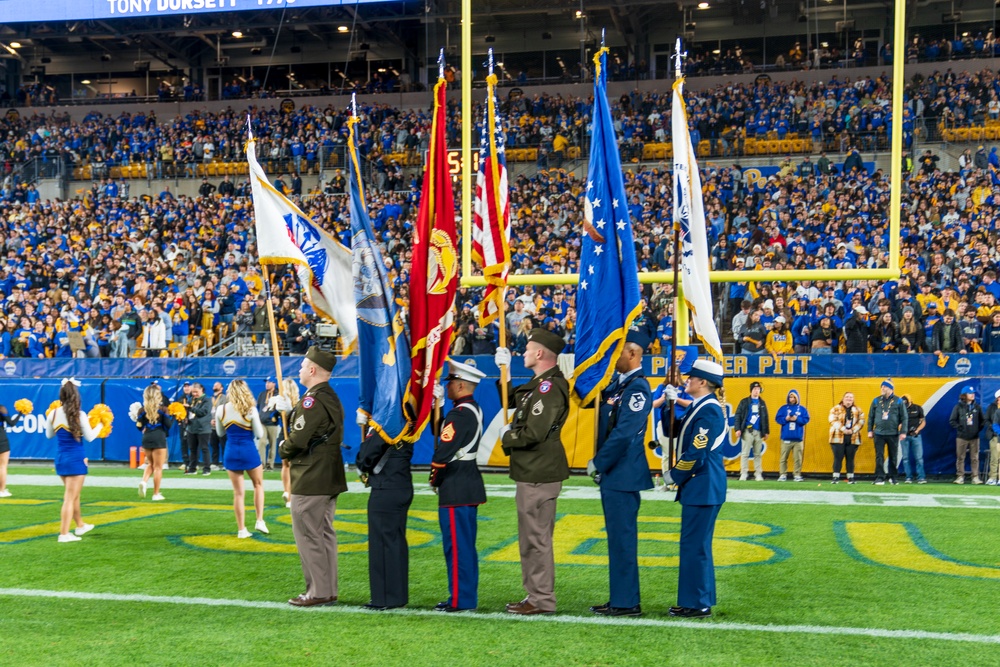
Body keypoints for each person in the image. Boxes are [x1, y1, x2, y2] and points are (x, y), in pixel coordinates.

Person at [494, 328, 570, 615]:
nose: (522, 354)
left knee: (536, 540)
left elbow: (534, 432)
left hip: (538, 472)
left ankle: (541, 599)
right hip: (532, 471)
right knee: (531, 540)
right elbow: (510, 400)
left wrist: (507, 437)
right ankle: (535, 596)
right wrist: (504, 371)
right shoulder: (539, 385)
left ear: (539, 353)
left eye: (526, 350)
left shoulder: (549, 387)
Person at [586, 331, 654, 617]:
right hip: (615, 475)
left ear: (633, 354)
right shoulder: (617, 386)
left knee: (623, 540)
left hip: (622, 474)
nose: (614, 358)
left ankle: (626, 602)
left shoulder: (637, 389)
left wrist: (599, 462)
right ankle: (620, 597)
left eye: (619, 352)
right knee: (616, 539)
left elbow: (625, 433)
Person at [275, 347, 346, 607]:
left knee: (308, 534)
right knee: (324, 533)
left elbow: (299, 439)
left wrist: (283, 447)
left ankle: (317, 591)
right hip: (328, 474)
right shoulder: (328, 396)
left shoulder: (312, 400)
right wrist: (293, 410)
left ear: (313, 370)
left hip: (311, 474)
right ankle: (326, 589)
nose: (300, 369)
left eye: (304, 366)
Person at [662, 359, 727, 618]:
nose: (686, 380)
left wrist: (674, 475)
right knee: (696, 545)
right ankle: (697, 598)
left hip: (702, 485)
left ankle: (697, 602)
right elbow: (674, 431)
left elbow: (696, 451)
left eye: (691, 378)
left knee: (694, 546)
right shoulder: (699, 407)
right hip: (701, 487)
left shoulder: (708, 410)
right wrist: (668, 406)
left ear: (702, 382)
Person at [429, 360, 488, 613]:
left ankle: (460, 600)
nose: (448, 386)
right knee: (463, 546)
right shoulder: (468, 409)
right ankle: (463, 596)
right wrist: (439, 406)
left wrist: (435, 477)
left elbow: (443, 450)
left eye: (451, 382)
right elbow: (441, 432)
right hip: (467, 483)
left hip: (456, 485)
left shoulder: (460, 414)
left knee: (457, 547)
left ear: (461, 385)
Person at [356, 429, 414, 611]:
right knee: (395, 543)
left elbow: (365, 457)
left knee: (381, 544)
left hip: (386, 486)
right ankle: (397, 596)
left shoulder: (388, 423)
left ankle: (384, 598)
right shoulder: (407, 424)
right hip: (401, 483)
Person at [45, 379, 100, 542]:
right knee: (70, 497)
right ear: (76, 396)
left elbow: (49, 435)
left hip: (61, 459)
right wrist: (100, 425)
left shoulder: (53, 413)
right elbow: (90, 437)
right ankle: (64, 534)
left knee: (73, 495)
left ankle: (80, 525)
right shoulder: (79, 415)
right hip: (76, 459)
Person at [215, 379, 269, 538]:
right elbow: (259, 434)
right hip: (248, 451)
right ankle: (259, 520)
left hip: (231, 452)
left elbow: (220, 433)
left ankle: (241, 530)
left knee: (238, 493)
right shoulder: (251, 409)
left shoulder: (221, 409)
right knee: (258, 485)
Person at [135, 384, 174, 501]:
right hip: (159, 437)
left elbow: (138, 425)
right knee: (158, 467)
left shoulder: (142, 410)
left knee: (150, 464)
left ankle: (144, 481)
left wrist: (144, 429)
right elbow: (168, 425)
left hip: (146, 437)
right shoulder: (163, 410)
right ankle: (156, 493)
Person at [867, 379, 907, 485]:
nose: (882, 389)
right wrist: (870, 430)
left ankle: (893, 477)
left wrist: (903, 432)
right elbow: (871, 416)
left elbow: (904, 417)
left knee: (893, 456)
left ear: (890, 388)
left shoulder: (898, 401)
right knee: (879, 455)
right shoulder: (876, 400)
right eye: (881, 387)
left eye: (884, 387)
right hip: (878, 433)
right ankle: (880, 477)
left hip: (893, 433)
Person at [949, 386, 984, 485]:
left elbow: (983, 420)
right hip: (961, 437)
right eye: (970, 393)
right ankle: (960, 477)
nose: (973, 394)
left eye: (973, 392)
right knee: (960, 457)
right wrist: (960, 428)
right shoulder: (958, 407)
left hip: (974, 437)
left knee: (975, 458)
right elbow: (952, 420)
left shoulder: (977, 407)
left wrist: (977, 430)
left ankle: (975, 477)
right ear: (964, 395)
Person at [734, 381, 769, 481]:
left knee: (757, 454)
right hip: (747, 431)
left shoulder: (762, 403)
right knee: (745, 453)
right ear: (751, 390)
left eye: (758, 389)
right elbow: (738, 416)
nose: (756, 391)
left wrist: (766, 431)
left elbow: (765, 417)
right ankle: (744, 473)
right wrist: (737, 429)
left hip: (758, 431)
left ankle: (758, 473)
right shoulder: (744, 402)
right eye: (754, 389)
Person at [829, 392, 864, 483]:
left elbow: (861, 421)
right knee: (838, 457)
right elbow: (832, 420)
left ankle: (851, 478)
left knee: (850, 458)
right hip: (837, 437)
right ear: (843, 398)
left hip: (853, 438)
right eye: (847, 397)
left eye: (851, 397)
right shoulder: (836, 408)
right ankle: (836, 477)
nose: (849, 398)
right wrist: (843, 429)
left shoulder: (858, 410)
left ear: (853, 399)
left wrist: (852, 430)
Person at [775, 389, 810, 482]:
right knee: (783, 458)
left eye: (794, 397)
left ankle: (797, 474)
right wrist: (785, 419)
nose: (792, 399)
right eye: (791, 397)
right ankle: (782, 474)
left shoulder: (802, 409)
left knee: (798, 458)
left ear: (797, 398)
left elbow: (806, 419)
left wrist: (797, 419)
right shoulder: (783, 408)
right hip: (786, 438)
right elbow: (777, 419)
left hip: (798, 438)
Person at [279, 378, 300, 508]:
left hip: (283, 434)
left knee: (285, 465)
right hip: (293, 434)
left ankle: (286, 491)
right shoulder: (298, 405)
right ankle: (290, 495)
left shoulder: (284, 405)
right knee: (293, 466)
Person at [185, 383, 212, 475]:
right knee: (192, 449)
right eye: (193, 392)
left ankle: (207, 469)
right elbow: (189, 413)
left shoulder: (207, 400)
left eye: (196, 392)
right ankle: (192, 469)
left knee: (204, 448)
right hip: (191, 428)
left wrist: (191, 408)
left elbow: (203, 412)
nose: (194, 394)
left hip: (203, 428)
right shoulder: (191, 400)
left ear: (202, 390)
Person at [900, 395, 926, 484]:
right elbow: (897, 423)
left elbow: (923, 421)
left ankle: (921, 477)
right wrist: (900, 428)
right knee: (905, 458)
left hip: (916, 435)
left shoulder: (918, 408)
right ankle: (908, 477)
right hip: (904, 436)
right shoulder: (900, 409)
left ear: (910, 401)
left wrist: (917, 430)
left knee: (919, 458)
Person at [256, 377, 280, 471]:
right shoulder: (262, 394)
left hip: (272, 423)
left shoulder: (278, 394)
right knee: (261, 442)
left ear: (274, 383)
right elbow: (258, 406)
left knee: (272, 444)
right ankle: (262, 464)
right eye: (266, 382)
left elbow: (280, 407)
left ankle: (270, 464)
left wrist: (275, 415)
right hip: (262, 422)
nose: (267, 384)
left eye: (269, 382)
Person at [0, 403, 23, 497]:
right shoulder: (1, 408)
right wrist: (20, 413)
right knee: (2, 466)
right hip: (1, 439)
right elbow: (12, 423)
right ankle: (1, 490)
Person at [209, 381, 228, 468]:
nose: (215, 386)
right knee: (214, 445)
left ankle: (225, 463)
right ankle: (215, 463)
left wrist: (220, 420)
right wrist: (210, 420)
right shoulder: (210, 398)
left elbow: (226, 410)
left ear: (221, 388)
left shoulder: (225, 398)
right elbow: (208, 411)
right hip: (212, 426)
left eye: (217, 385)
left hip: (222, 426)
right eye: (214, 384)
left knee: (224, 445)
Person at [989, 390, 1000, 485]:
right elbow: (993, 423)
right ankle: (993, 477)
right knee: (995, 458)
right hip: (996, 437)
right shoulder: (994, 409)